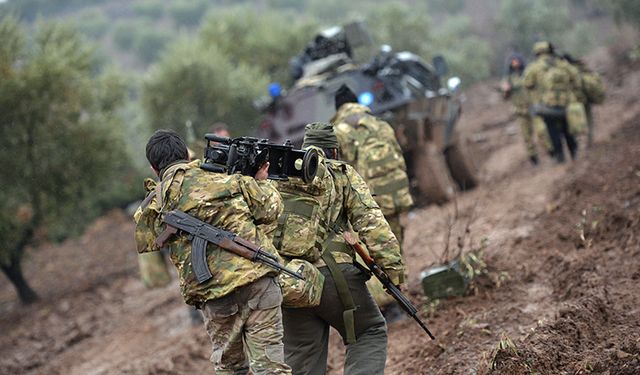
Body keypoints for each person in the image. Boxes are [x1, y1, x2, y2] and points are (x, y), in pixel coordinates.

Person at [134, 129, 291, 374]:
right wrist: (261, 180)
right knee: (271, 369)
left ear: (154, 168)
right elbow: (271, 211)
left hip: (214, 295)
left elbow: (150, 240)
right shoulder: (226, 178)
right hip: (258, 281)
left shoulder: (155, 203)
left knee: (230, 369)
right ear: (186, 154)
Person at [277, 122, 405, 374]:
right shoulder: (341, 174)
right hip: (335, 277)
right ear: (333, 151)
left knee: (302, 355)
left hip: (290, 280)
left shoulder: (278, 176)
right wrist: (393, 271)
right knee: (368, 331)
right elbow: (372, 223)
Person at [330, 85, 412, 317]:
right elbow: (400, 153)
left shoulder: (339, 131)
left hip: (371, 202)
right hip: (396, 192)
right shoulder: (380, 124)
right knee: (393, 244)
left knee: (372, 252)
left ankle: (388, 306)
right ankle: (401, 291)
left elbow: (340, 171)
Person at [523, 41, 581, 163]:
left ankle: (560, 156)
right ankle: (574, 152)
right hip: (566, 103)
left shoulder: (534, 67)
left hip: (548, 105)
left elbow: (527, 84)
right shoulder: (561, 63)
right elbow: (576, 78)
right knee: (567, 129)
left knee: (552, 131)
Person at [501, 53, 547, 164]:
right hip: (520, 111)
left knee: (542, 131)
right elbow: (505, 97)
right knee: (527, 136)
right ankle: (533, 157)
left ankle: (551, 150)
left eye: (516, 61)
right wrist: (506, 90)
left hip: (534, 107)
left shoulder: (528, 73)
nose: (515, 64)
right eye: (512, 62)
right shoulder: (508, 79)